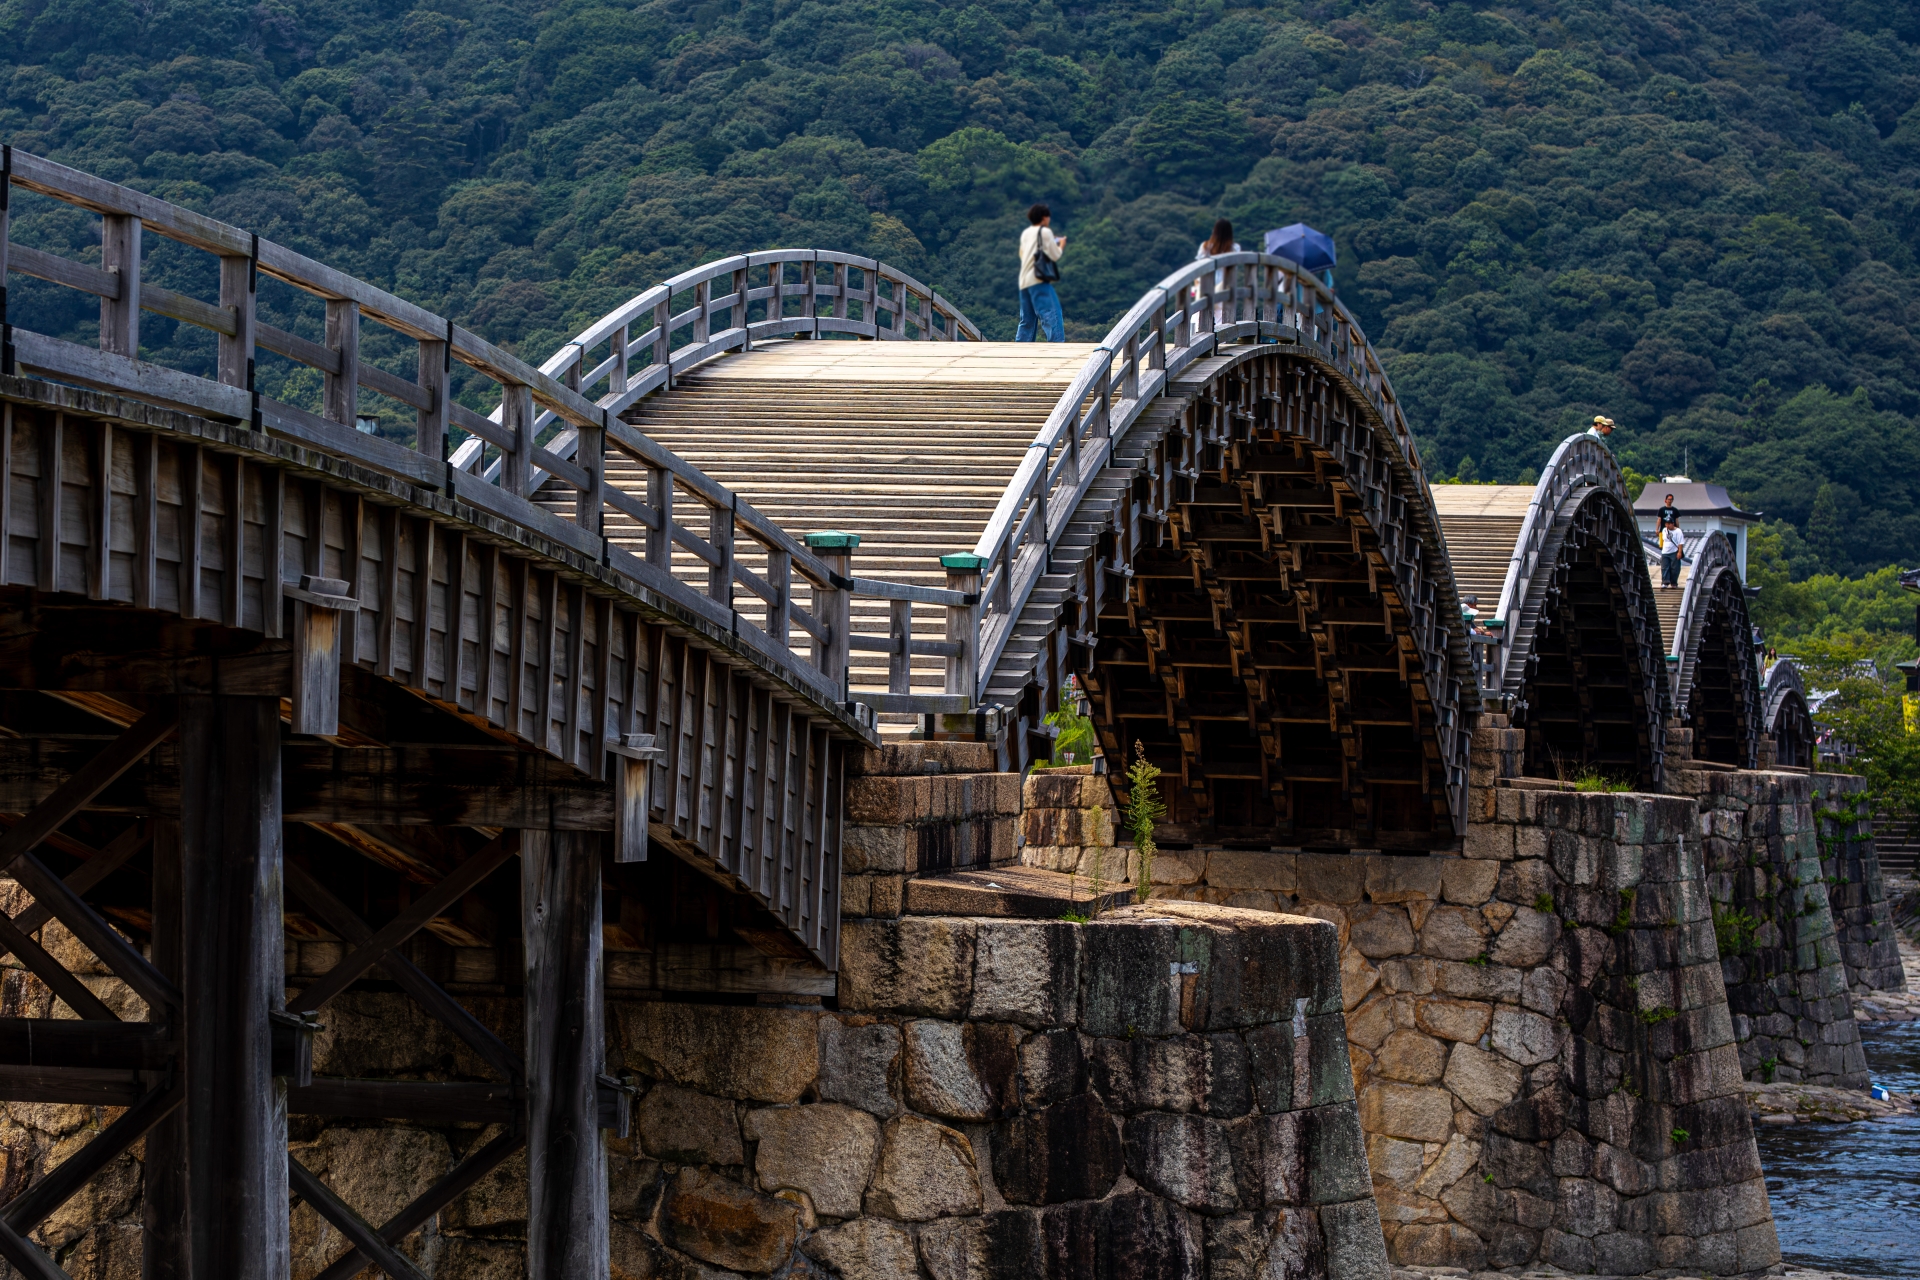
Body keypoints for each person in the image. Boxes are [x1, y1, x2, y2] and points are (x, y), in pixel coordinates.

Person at [1016, 204, 1065, 342]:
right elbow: (1055, 255)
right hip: (1038, 280)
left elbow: (1023, 254)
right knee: (1052, 315)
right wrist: (1061, 244)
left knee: (1027, 320)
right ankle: (1057, 349)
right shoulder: (1045, 232)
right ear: (1044, 218)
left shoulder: (1026, 233)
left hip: (1024, 281)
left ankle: (1020, 351)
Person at [1194, 218, 1241, 324]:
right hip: (1224, 284)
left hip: (1205, 284)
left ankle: (1200, 338)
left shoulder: (1205, 246)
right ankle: (1220, 340)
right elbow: (1233, 269)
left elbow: (1198, 268)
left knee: (1202, 314)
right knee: (1221, 315)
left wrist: (1197, 284)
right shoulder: (1234, 248)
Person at [1660, 521, 1686, 587]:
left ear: (1672, 524)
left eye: (1669, 524)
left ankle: (1673, 582)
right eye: (1666, 524)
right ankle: (1665, 582)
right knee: (1664, 567)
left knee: (1675, 568)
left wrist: (1679, 552)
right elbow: (1664, 540)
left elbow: (1680, 542)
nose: (1667, 525)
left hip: (1674, 551)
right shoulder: (1664, 530)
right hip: (1665, 551)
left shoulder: (1678, 531)